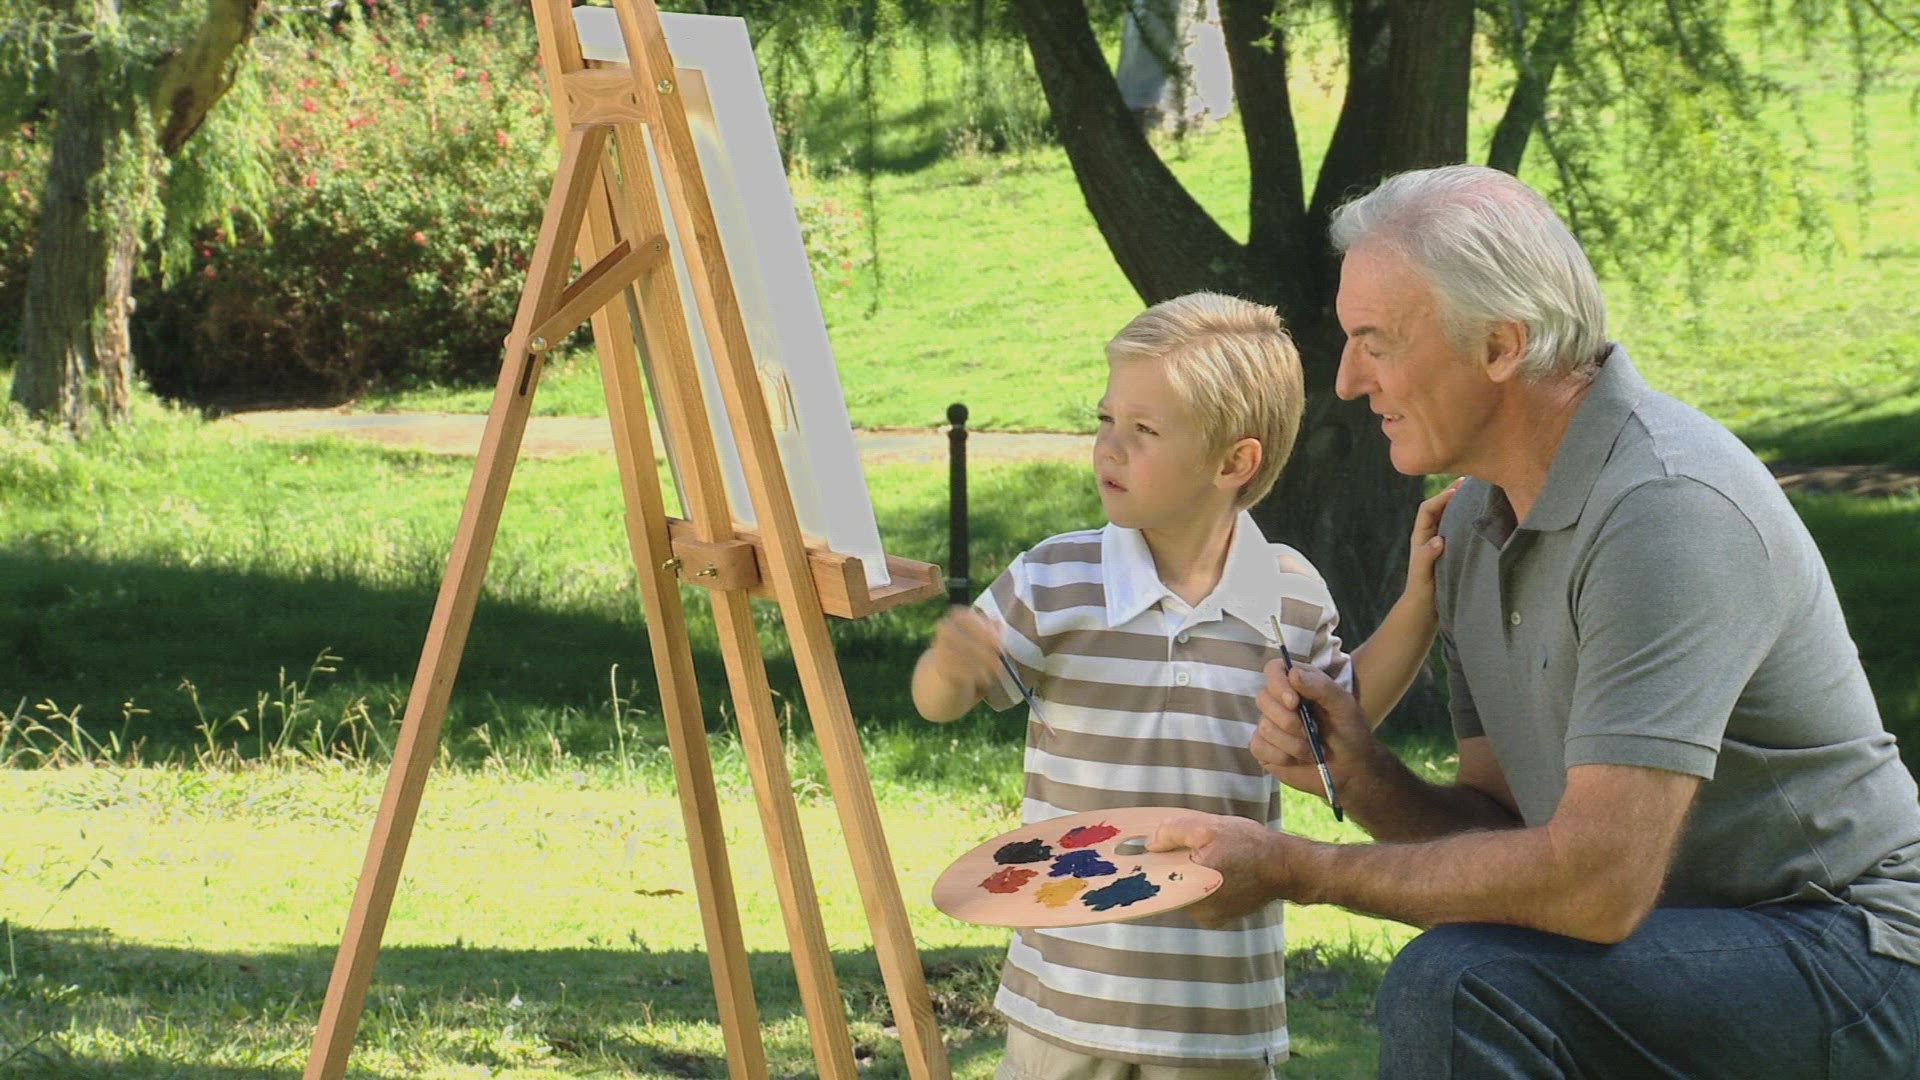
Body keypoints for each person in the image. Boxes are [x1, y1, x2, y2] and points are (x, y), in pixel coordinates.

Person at [1150, 164, 1920, 1078]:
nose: (1349, 381)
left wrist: (1299, 869)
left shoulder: (1666, 511)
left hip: (1855, 952)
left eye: (1375, 343)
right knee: (1473, 972)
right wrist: (1361, 776)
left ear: (1500, 346)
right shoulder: (1474, 523)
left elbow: (1595, 886)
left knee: (1463, 983)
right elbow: (1505, 825)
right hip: (1682, 944)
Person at [912, 291, 1455, 1078]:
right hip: (1064, 1005)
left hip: (1217, 1016)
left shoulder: (1289, 594)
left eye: (1144, 430)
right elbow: (940, 704)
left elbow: (1346, 719)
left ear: (1233, 463)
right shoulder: (1054, 579)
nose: (1109, 448)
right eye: (1105, 419)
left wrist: (1419, 606)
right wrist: (946, 670)